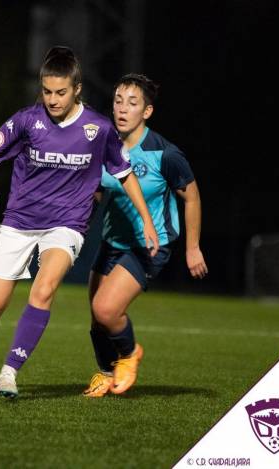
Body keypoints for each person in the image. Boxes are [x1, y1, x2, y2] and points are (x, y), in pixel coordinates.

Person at [0, 47, 159, 399]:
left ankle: (9, 372)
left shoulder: (99, 129)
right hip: (20, 220)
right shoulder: (25, 121)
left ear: (77, 89)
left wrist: (147, 221)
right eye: (47, 92)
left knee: (44, 288)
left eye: (61, 92)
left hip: (66, 224)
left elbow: (126, 175)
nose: (52, 100)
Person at [83, 73, 208, 398]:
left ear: (147, 112)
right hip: (111, 241)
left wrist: (192, 248)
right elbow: (98, 191)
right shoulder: (104, 145)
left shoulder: (163, 154)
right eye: (118, 101)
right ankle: (106, 374)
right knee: (97, 317)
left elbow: (192, 197)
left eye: (132, 103)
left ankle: (129, 355)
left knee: (107, 310)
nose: (122, 109)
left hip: (150, 245)